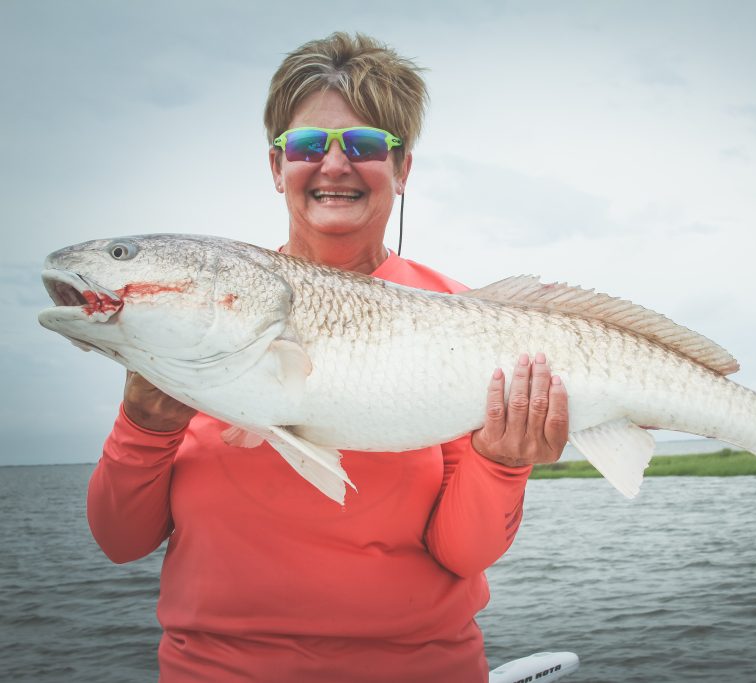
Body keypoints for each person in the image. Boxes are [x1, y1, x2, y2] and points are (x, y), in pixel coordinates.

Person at [87, 32, 569, 683]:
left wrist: (505, 464)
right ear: (275, 165)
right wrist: (145, 424)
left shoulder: (469, 322)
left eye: (366, 145)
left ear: (402, 170)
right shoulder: (199, 317)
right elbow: (121, 541)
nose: (334, 165)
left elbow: (463, 552)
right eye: (308, 146)